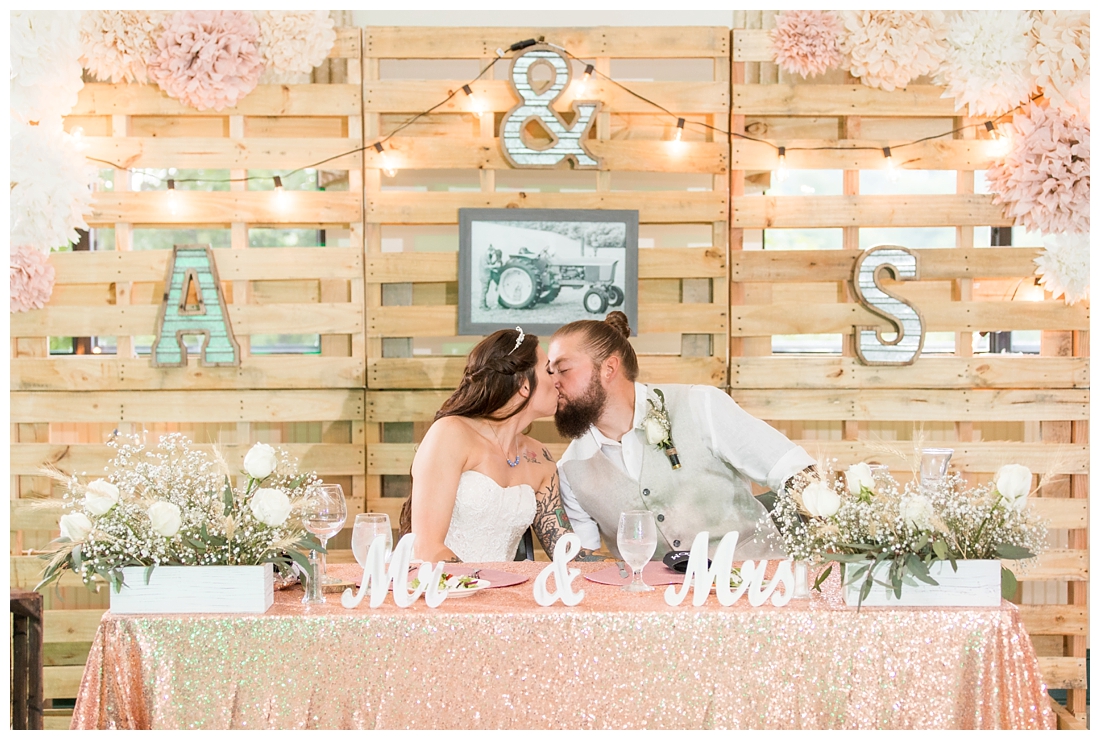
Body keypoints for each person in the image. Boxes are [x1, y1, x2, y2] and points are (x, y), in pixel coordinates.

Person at [548, 311, 816, 561]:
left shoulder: (700, 405)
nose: (553, 382)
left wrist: (835, 536)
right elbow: (584, 565)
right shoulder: (571, 471)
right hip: (659, 606)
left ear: (608, 368)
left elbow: (792, 469)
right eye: (550, 372)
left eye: (563, 369)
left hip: (759, 587)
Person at [402, 326, 602, 563]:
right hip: (444, 589)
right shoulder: (450, 434)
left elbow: (566, 553)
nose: (558, 381)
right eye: (549, 371)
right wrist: (479, 587)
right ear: (523, 385)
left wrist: (626, 566)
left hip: (503, 592)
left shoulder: (540, 457)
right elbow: (428, 549)